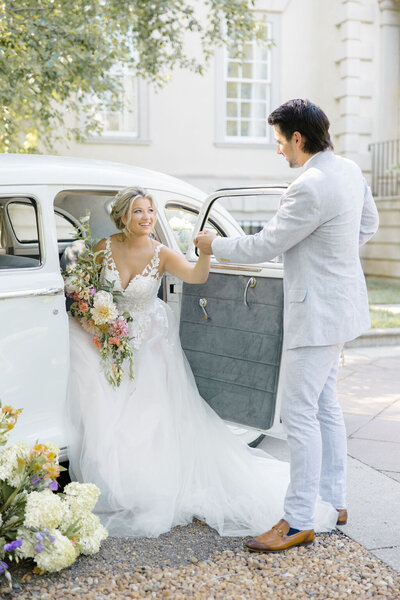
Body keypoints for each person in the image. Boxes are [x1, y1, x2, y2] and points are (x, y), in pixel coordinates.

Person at [67, 185, 338, 539]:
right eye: (138, 211)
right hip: (106, 334)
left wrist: (206, 250)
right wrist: (87, 311)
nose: (147, 217)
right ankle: (110, 475)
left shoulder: (160, 253)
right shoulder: (103, 247)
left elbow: (196, 276)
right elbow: (80, 284)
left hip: (147, 341)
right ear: (122, 216)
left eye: (149, 210)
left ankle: (142, 483)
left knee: (146, 413)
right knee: (99, 396)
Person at [195, 98, 379, 552]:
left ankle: (298, 520)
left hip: (315, 313)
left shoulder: (309, 185)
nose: (278, 150)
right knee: (325, 407)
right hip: (341, 308)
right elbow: (368, 224)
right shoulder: (351, 170)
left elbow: (265, 245)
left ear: (298, 138)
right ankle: (333, 501)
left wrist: (213, 243)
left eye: (279, 141)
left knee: (299, 413)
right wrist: (332, 257)